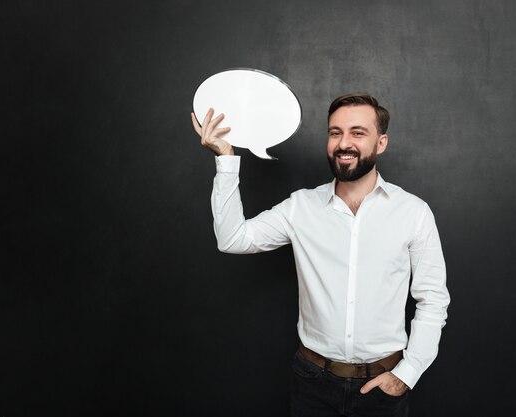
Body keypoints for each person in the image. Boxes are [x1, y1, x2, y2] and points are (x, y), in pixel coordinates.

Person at [191, 93, 450, 417]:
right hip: (312, 385)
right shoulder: (300, 207)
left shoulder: (414, 212)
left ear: (381, 142)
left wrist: (407, 374)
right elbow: (233, 239)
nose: (344, 143)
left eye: (358, 132)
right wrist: (226, 159)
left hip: (384, 388)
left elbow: (433, 299)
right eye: (335, 132)